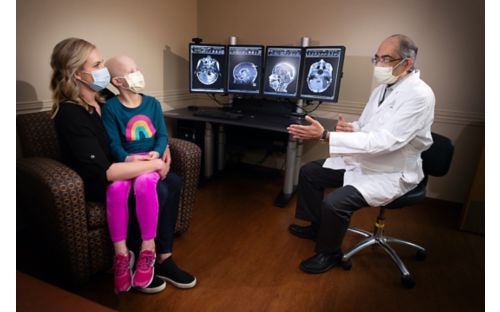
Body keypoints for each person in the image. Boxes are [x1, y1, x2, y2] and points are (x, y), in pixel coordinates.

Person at [50, 38, 196, 293]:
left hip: (122, 166)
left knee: (173, 180)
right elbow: (105, 171)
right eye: (97, 64)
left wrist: (165, 148)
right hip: (101, 180)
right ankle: (142, 258)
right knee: (159, 187)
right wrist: (153, 164)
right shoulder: (70, 114)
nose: (103, 69)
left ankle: (163, 257)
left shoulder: (104, 98)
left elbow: (142, 126)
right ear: (77, 74)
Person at [287, 34, 435, 274]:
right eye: (376, 58)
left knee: (336, 202)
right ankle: (317, 227)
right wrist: (352, 128)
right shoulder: (383, 89)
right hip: (367, 159)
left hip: (391, 170)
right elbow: (368, 125)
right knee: (310, 172)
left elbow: (386, 141)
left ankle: (329, 253)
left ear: (407, 63)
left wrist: (326, 136)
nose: (379, 64)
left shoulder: (419, 95)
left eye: (386, 58)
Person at [100, 55, 170, 292]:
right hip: (127, 163)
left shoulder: (152, 104)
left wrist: (157, 153)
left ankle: (147, 248)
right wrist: (128, 158)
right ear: (118, 81)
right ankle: (121, 254)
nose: (138, 73)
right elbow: (112, 143)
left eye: (138, 68)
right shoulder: (110, 108)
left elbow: (162, 135)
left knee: (143, 184)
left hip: (150, 163)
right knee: (116, 188)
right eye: (132, 70)